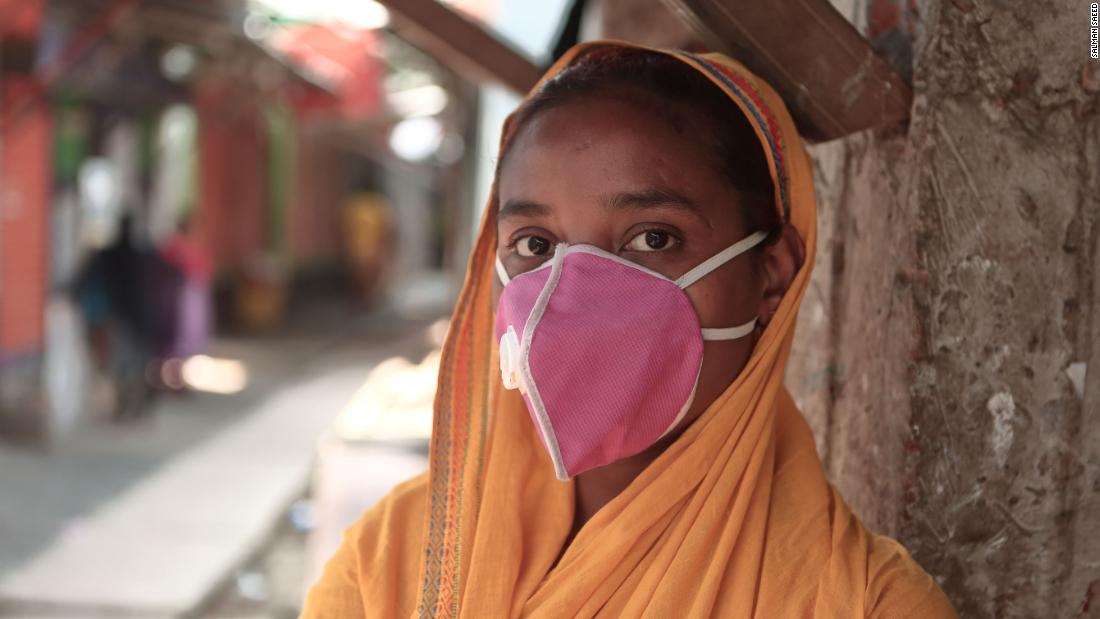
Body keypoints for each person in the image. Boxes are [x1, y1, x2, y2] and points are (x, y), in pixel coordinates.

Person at [302, 41, 958, 617]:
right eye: (534, 245)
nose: (574, 292)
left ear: (771, 273)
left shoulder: (863, 603)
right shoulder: (394, 557)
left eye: (652, 237)